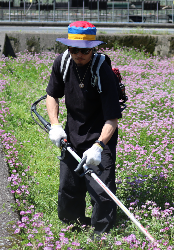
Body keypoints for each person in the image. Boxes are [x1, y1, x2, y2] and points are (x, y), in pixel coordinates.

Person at [46, 21, 122, 236]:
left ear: (94, 48)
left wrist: (98, 147)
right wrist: (55, 125)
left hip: (100, 136)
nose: (79, 54)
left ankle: (101, 235)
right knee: (69, 186)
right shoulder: (62, 62)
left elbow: (113, 118)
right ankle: (73, 226)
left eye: (85, 50)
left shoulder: (102, 71)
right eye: (74, 49)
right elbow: (52, 94)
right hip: (72, 134)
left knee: (101, 190)